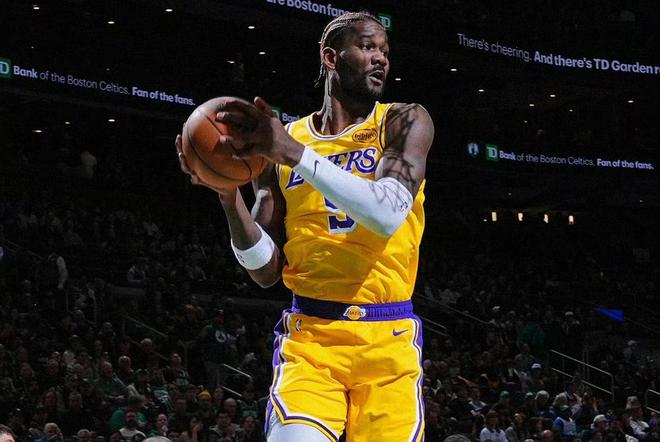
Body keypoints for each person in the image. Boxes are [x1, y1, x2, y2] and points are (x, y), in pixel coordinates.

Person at [176, 10, 434, 442]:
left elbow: (387, 214)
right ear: (331, 57)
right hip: (312, 340)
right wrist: (228, 196)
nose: (380, 59)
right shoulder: (281, 143)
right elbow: (264, 270)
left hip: (387, 341)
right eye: (367, 47)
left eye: (385, 51)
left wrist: (294, 154)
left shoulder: (403, 120)